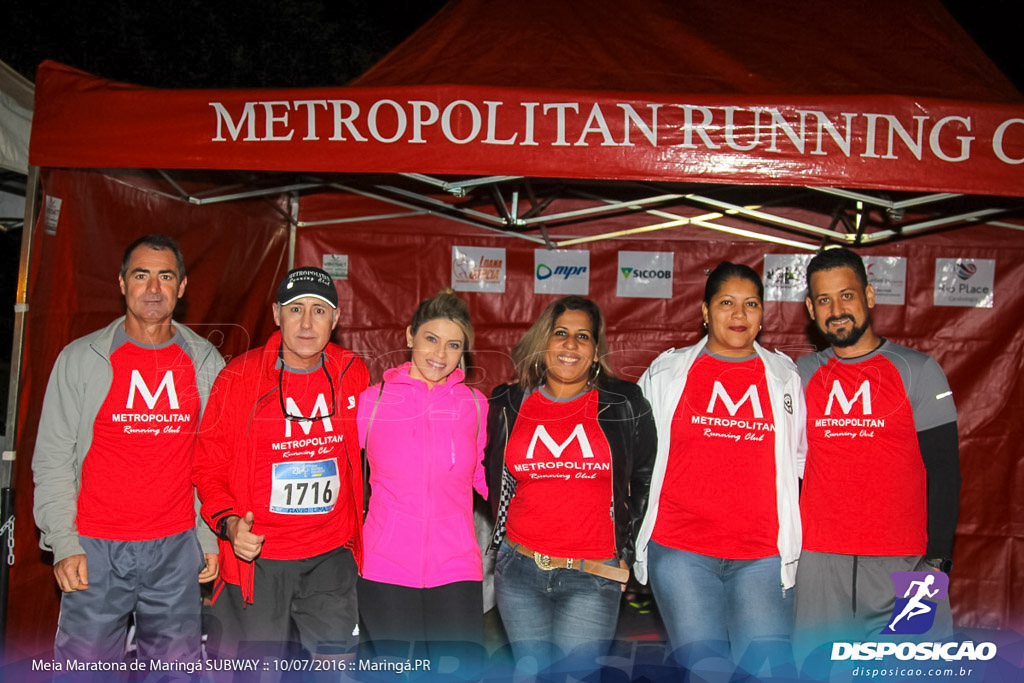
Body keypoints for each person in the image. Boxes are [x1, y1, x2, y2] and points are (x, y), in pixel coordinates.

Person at [32, 234, 223, 666]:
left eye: (165, 277)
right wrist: (64, 542)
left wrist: (208, 536)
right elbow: (53, 458)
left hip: (176, 549)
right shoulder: (82, 359)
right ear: (122, 283)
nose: (153, 289)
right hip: (94, 548)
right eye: (141, 276)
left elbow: (214, 458)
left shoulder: (206, 362)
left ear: (183, 286)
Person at [633, 262, 805, 676]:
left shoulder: (784, 375)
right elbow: (635, 455)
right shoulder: (666, 370)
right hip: (681, 552)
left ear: (763, 313)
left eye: (751, 304)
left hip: (763, 555)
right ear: (705, 311)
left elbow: (797, 458)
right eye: (726, 303)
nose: (739, 315)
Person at [192, 266, 369, 662]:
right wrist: (230, 523)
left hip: (330, 554)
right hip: (258, 561)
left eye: (319, 311)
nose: (307, 323)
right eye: (295, 309)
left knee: (336, 668)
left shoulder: (351, 373)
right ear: (276, 314)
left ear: (336, 319)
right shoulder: (238, 377)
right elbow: (207, 466)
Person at [794, 247, 960, 661]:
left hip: (908, 565)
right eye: (825, 300)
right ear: (811, 308)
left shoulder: (918, 369)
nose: (837, 310)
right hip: (819, 565)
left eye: (847, 295)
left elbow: (945, 472)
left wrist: (937, 563)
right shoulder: (799, 374)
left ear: (869, 296)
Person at [485, 295, 655, 675]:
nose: (570, 344)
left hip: (592, 574)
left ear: (596, 353)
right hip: (519, 572)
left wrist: (624, 549)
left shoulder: (625, 403)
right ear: (545, 342)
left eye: (583, 336)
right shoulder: (508, 403)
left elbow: (644, 478)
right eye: (561, 333)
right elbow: (484, 471)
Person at [356, 289, 488, 661]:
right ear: (410, 335)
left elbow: (484, 478)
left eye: (453, 345)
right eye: (431, 339)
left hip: (457, 567)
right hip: (385, 567)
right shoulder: (373, 401)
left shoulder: (475, 407)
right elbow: (337, 470)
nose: (440, 354)